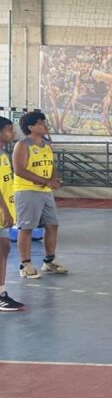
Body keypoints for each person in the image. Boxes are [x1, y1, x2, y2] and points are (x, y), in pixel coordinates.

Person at [13, 111, 68, 279]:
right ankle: (25, 265)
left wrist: (54, 180)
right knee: (26, 227)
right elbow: (20, 170)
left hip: (45, 192)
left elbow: (51, 166)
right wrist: (45, 181)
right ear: (30, 127)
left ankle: (49, 261)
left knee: (52, 225)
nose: (45, 125)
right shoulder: (23, 145)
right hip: (27, 191)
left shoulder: (46, 145)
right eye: (40, 123)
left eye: (45, 122)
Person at [0, 118, 24, 310]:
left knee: (4, 248)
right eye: (9, 129)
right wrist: (6, 211)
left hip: (4, 212)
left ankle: (1, 292)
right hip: (2, 211)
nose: (13, 133)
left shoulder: (4, 155)